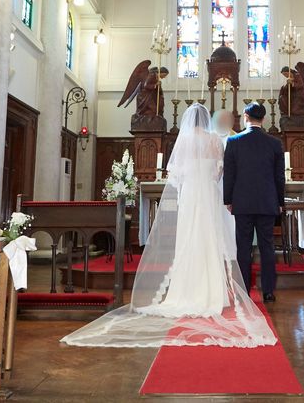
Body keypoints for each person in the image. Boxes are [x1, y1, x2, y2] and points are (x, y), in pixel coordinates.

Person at [61, 103, 276, 348]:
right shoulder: (215, 141)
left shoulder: (183, 141)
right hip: (208, 195)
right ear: (206, 120)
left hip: (190, 195)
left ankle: (186, 289)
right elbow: (219, 173)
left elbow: (176, 177)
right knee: (209, 239)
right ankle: (214, 292)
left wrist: (192, 179)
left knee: (188, 240)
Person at [223, 102, 285, 303]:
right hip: (267, 202)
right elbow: (279, 177)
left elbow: (229, 174)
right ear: (263, 119)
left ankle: (243, 292)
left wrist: (228, 199)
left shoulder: (234, 141)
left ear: (245, 117)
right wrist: (280, 201)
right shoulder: (274, 143)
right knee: (267, 247)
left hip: (242, 202)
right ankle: (268, 292)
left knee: (243, 247)